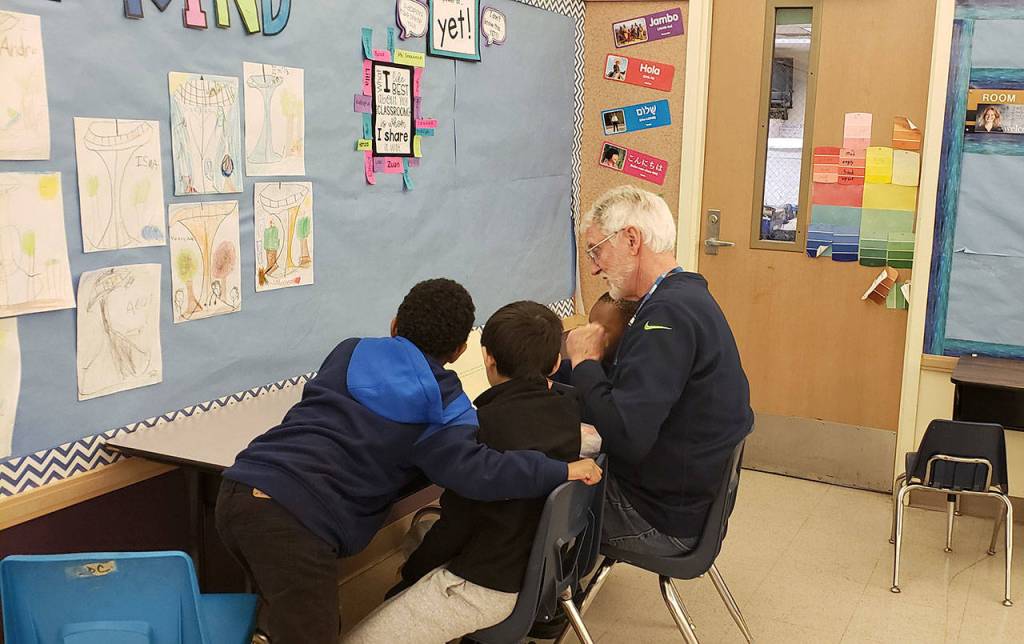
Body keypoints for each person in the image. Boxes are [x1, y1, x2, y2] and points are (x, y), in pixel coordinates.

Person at [215, 279, 603, 644]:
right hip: (297, 522)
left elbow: (357, 421)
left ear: (394, 324)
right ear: (459, 351)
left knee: (286, 606)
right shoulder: (446, 405)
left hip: (239, 487)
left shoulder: (349, 351)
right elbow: (481, 472)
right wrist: (561, 469)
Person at [343, 301, 583, 643]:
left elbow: (456, 527)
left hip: (483, 585)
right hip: (535, 573)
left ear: (487, 357)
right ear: (556, 362)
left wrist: (409, 578)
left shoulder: (484, 428)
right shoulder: (567, 409)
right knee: (421, 530)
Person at [566, 185, 753, 558]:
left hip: (661, 519)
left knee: (526, 497)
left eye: (596, 250)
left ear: (632, 239)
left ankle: (534, 610)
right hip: (686, 502)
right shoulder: (685, 296)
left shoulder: (667, 316)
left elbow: (626, 437)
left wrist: (585, 363)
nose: (593, 267)